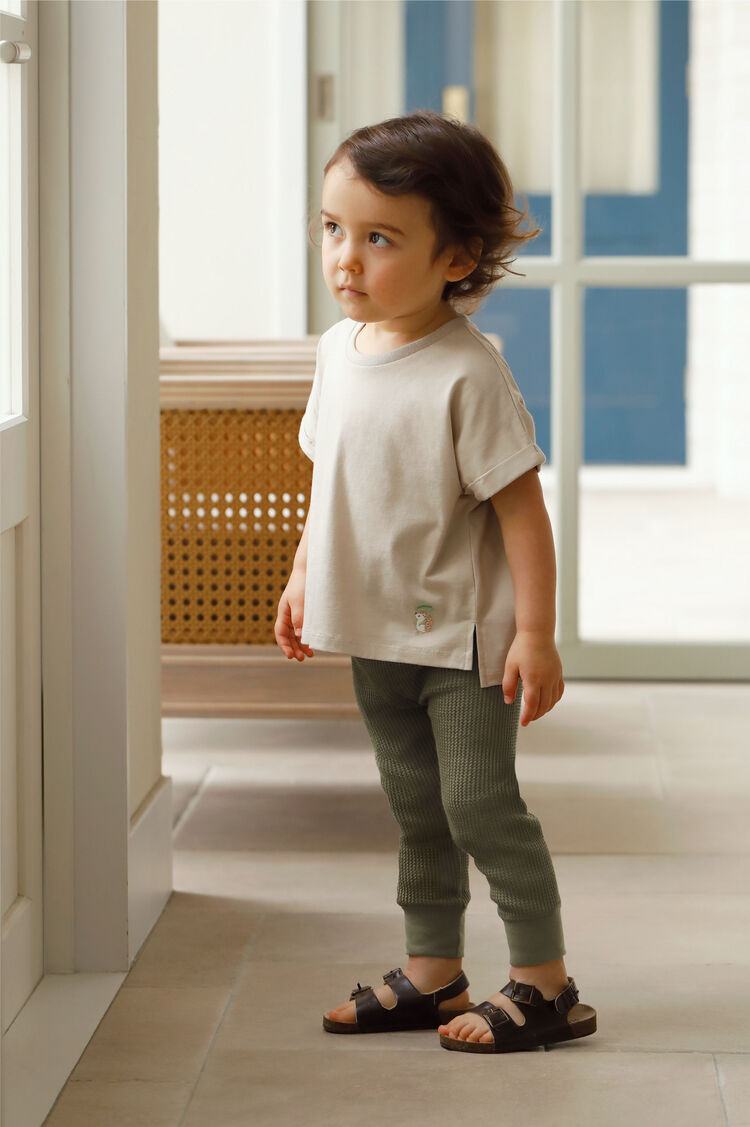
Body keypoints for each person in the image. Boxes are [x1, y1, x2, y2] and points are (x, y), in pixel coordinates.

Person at [274, 110, 597, 1054]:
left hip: (461, 639)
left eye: (379, 238)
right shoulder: (337, 352)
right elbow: (330, 483)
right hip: (372, 628)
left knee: (479, 805)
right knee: (416, 805)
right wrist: (302, 576)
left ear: (456, 258)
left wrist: (534, 633)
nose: (346, 258)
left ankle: (547, 984)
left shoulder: (467, 373)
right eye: (333, 228)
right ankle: (432, 969)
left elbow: (523, 515)